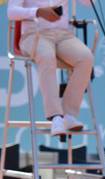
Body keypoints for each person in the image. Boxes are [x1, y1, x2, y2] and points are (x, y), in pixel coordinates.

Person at [7, 0, 94, 136]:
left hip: (63, 35)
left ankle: (68, 115)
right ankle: (56, 117)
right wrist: (38, 12)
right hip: (33, 34)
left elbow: (89, 3)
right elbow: (11, 12)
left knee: (86, 58)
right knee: (47, 55)